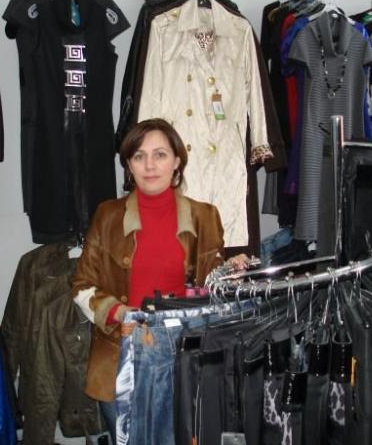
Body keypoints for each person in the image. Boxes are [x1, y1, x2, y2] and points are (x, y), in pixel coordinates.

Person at [71, 118, 248, 442]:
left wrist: (231, 272)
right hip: (120, 359)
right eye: (139, 156)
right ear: (128, 164)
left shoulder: (204, 216)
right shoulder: (107, 216)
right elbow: (82, 285)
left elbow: (211, 286)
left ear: (177, 160)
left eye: (160, 155)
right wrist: (120, 314)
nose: (150, 165)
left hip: (185, 360)